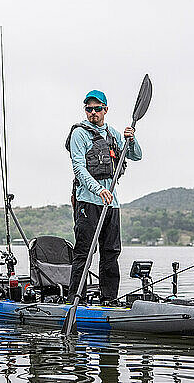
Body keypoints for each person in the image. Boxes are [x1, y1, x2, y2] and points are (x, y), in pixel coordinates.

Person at [65, 89, 142, 305]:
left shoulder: (113, 134)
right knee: (84, 252)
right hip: (88, 202)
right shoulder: (79, 134)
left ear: (105, 110)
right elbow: (79, 168)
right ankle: (75, 300)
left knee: (111, 252)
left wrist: (131, 139)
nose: (93, 113)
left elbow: (136, 155)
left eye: (97, 109)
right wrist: (98, 189)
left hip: (112, 203)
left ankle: (109, 299)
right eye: (88, 109)